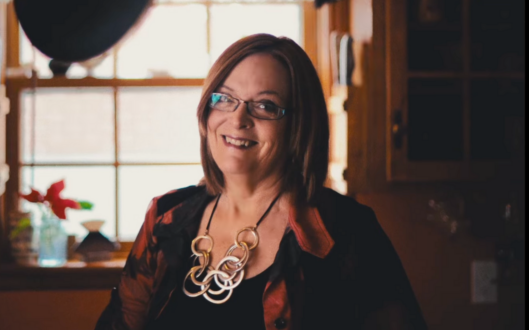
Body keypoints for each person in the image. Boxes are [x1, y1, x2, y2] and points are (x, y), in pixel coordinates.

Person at [95, 34, 426, 330]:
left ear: (299, 126)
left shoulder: (348, 230)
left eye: (265, 106)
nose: (238, 119)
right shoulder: (166, 217)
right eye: (224, 98)